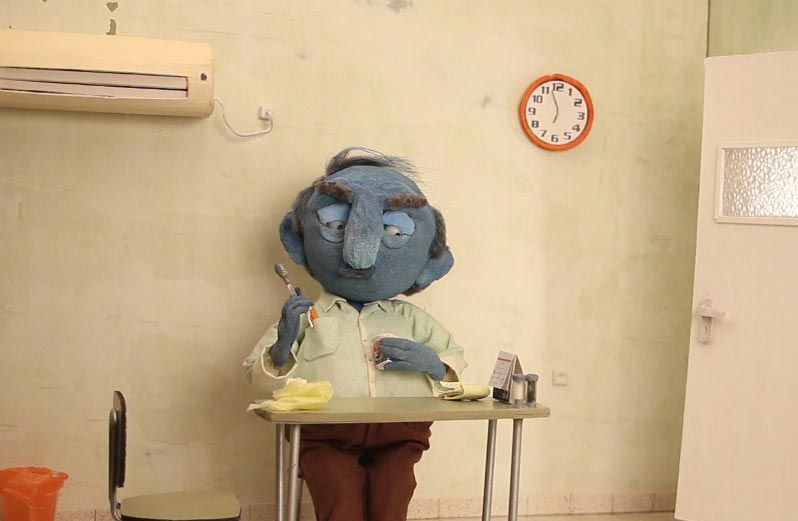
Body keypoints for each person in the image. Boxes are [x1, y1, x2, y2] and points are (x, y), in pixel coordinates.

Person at [243, 147, 467, 521]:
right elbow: (258, 380)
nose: (358, 254)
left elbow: (455, 366)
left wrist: (435, 365)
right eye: (336, 225)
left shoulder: (413, 320)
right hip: (325, 434)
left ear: (431, 261)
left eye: (395, 231)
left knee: (390, 508)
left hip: (399, 434)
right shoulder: (305, 315)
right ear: (299, 240)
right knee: (340, 510)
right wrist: (281, 349)